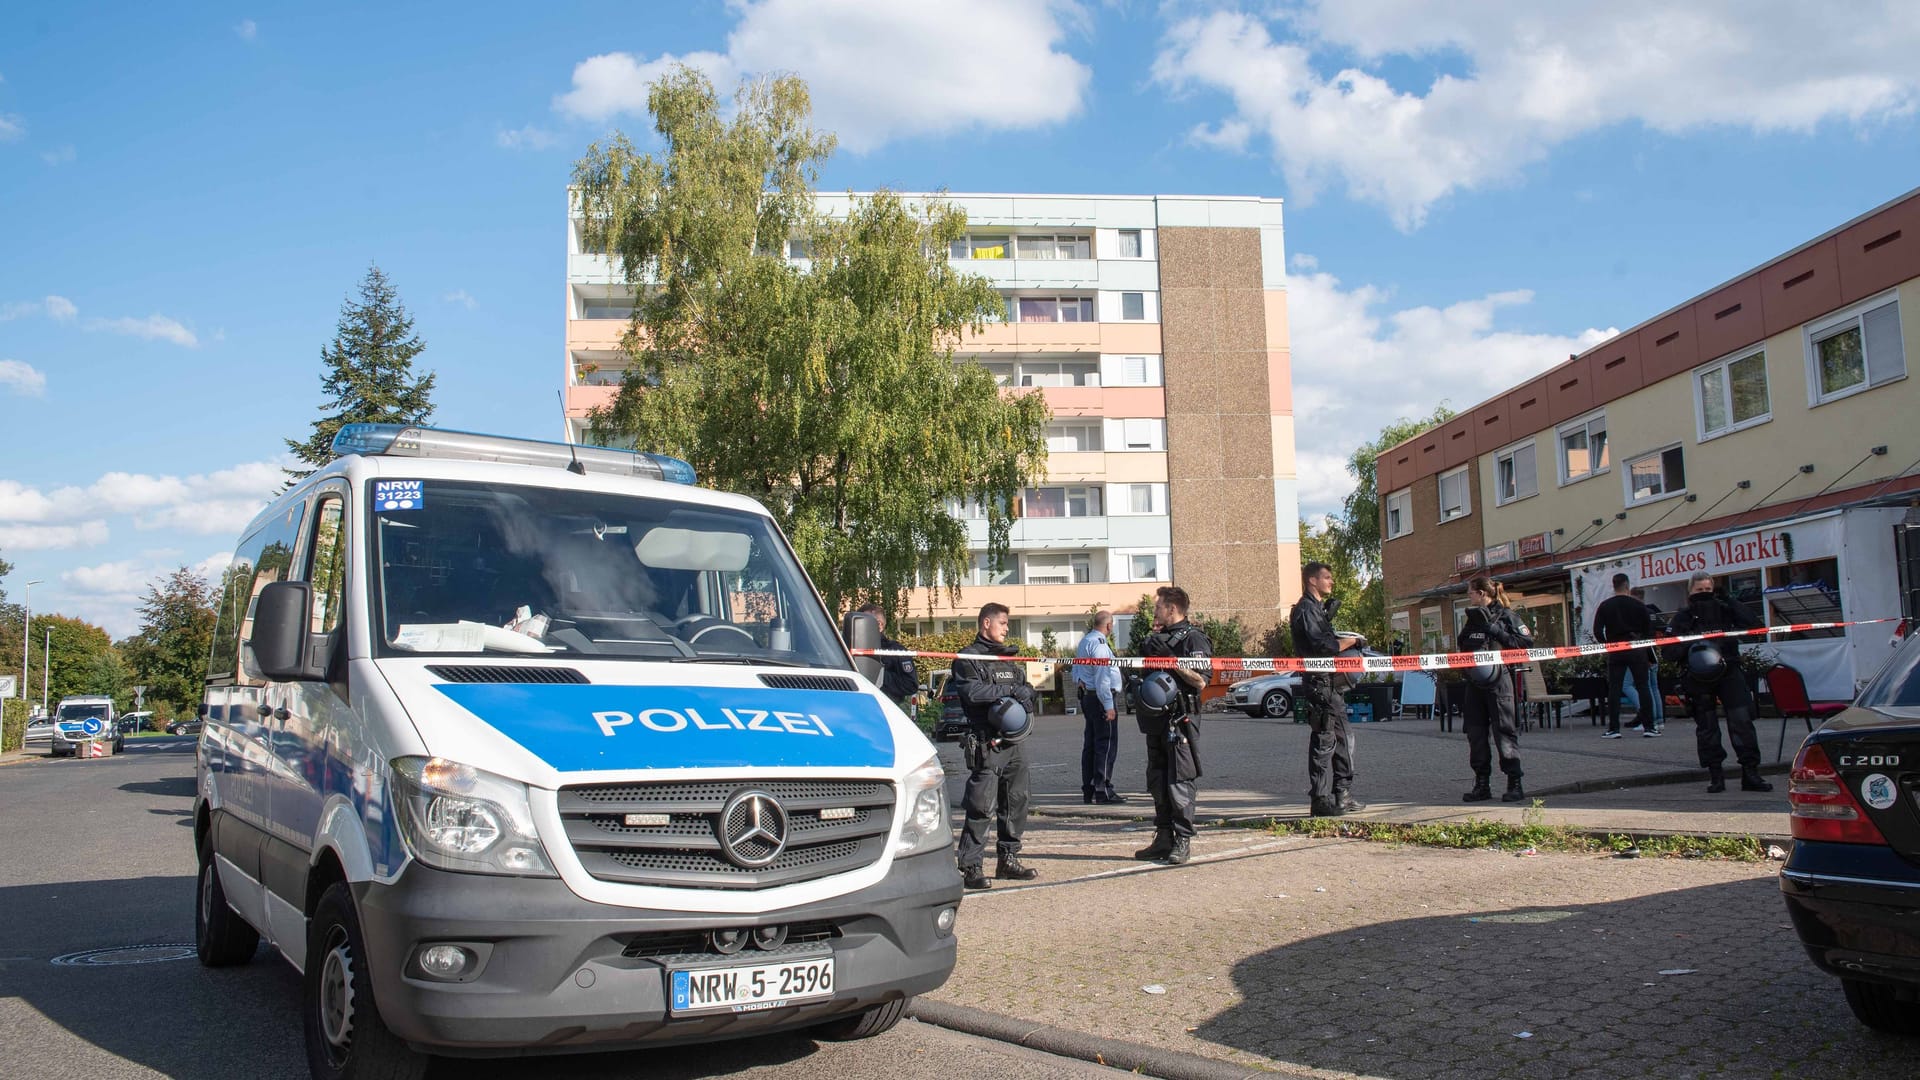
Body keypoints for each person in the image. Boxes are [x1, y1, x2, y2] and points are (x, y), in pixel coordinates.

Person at [950, 602, 1041, 889]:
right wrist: (1009, 690)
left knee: (1017, 801)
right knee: (981, 806)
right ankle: (971, 867)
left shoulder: (1006, 658)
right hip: (987, 741)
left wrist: (1026, 692)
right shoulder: (968, 658)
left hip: (1014, 742)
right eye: (1003, 623)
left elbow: (1024, 686)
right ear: (986, 623)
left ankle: (1008, 859)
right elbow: (973, 692)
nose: (1006, 628)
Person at [1666, 572, 1772, 794]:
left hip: (1729, 669)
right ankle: (1716, 776)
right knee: (1707, 728)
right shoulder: (1683, 617)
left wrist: (1730, 600)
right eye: (1699, 591)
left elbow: (1755, 627)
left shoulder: (1725, 609)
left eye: (1707, 590)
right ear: (1690, 592)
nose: (1703, 595)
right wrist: (1694, 646)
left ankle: (1750, 774)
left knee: (1742, 722)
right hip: (1697, 676)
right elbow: (1669, 651)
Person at [1135, 586, 1211, 865]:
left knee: (1179, 781)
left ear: (1172, 608)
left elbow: (1201, 680)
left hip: (1180, 721)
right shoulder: (1158, 638)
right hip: (1155, 719)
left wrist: (1172, 660)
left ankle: (1182, 840)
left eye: (1158, 607)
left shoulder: (1194, 639)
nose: (1155, 611)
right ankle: (1163, 837)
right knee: (1157, 781)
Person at [1290, 561, 1365, 817]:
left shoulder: (1315, 609)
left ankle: (1341, 794)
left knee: (1340, 739)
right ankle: (1323, 799)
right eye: (1327, 577)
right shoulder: (1306, 609)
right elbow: (1323, 647)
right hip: (1320, 684)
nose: (1331, 582)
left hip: (1327, 684)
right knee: (1327, 741)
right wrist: (1352, 641)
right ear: (1312, 580)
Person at [1457, 576, 1534, 802]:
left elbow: (1525, 644)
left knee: (1504, 732)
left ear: (1482, 593)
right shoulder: (1472, 619)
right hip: (1475, 683)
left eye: (1471, 593)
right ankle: (1482, 784)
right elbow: (1463, 644)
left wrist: (1494, 630)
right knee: (1475, 734)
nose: (1469, 597)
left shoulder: (1507, 616)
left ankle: (1514, 782)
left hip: (1500, 682)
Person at [1592, 574, 1659, 739]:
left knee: (1615, 688)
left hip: (1616, 649)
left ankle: (1614, 728)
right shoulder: (1638, 605)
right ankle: (1649, 726)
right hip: (1636, 648)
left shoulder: (1605, 606)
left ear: (1613, 586)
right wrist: (1643, 645)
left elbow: (1597, 630)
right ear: (1627, 586)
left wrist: (1608, 644)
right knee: (1643, 687)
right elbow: (1648, 629)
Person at [1074, 610, 1127, 805]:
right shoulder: (1100, 646)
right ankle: (1103, 790)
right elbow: (1103, 678)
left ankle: (1088, 790)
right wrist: (1108, 705)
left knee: (1091, 745)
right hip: (1100, 698)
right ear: (1109, 626)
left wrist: (1079, 680)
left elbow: (1076, 668)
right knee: (1105, 746)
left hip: (1089, 697)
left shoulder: (1085, 641)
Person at [855, 602, 920, 710]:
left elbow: (910, 685)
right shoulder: (851, 649)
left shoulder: (895, 651)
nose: (860, 627)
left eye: (864, 623)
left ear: (879, 625)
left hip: (885, 709)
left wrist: (877, 674)